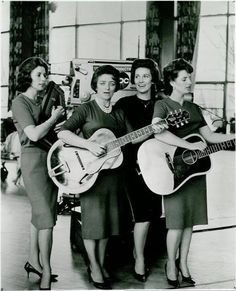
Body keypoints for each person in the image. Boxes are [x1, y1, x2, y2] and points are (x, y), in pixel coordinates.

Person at [151, 58, 235, 288]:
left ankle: (184, 264)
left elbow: (210, 137)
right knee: (176, 222)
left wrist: (232, 137)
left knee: (190, 222)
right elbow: (160, 134)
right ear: (172, 81)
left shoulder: (194, 108)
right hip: (174, 172)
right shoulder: (163, 105)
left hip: (196, 172)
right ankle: (170, 264)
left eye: (190, 77)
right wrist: (189, 146)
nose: (189, 82)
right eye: (184, 78)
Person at [58, 65, 133, 290]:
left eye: (112, 83)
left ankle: (99, 263)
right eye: (103, 83)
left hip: (114, 173)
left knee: (108, 222)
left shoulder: (119, 112)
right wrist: (88, 144)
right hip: (90, 174)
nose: (108, 87)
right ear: (95, 85)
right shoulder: (86, 109)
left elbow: (131, 138)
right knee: (93, 223)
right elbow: (63, 132)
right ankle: (94, 266)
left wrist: (153, 129)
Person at [12, 57, 65, 290]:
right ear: (28, 77)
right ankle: (47, 269)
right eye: (39, 75)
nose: (44, 79)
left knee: (43, 214)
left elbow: (52, 131)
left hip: (51, 159)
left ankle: (34, 261)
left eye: (45, 74)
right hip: (33, 161)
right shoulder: (20, 102)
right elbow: (33, 135)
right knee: (46, 220)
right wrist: (54, 118)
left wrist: (60, 122)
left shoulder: (43, 101)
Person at [115, 58, 165, 282]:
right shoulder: (124, 104)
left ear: (153, 78)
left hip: (158, 164)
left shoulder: (162, 103)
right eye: (137, 76)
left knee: (152, 213)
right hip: (130, 166)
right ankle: (140, 259)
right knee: (142, 214)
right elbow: (122, 136)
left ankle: (139, 252)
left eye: (145, 76)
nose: (141, 80)